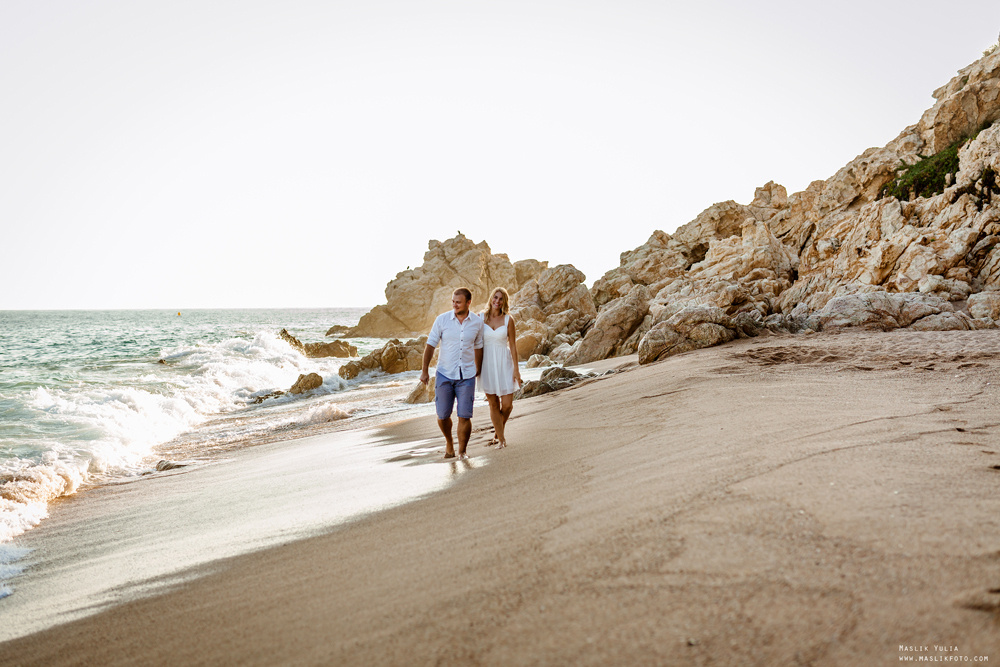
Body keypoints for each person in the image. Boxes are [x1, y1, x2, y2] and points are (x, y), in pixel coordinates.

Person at [419, 288, 484, 459]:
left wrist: (478, 368)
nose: (455, 305)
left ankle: (462, 451)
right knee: (442, 415)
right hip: (444, 374)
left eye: (458, 302)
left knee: (464, 415)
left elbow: (479, 346)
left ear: (468, 303)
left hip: (467, 376)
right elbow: (430, 345)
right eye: (453, 302)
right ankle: (449, 441)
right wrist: (425, 370)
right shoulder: (442, 320)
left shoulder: (477, 323)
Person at [478, 287, 522, 449]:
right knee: (493, 404)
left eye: (501, 299)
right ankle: (501, 440)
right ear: (491, 298)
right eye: (495, 297)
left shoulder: (508, 320)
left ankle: (498, 430)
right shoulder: (480, 318)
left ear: (505, 302)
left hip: (504, 363)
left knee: (508, 405)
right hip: (487, 364)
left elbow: (513, 346)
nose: (497, 301)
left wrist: (516, 370)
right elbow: (472, 342)